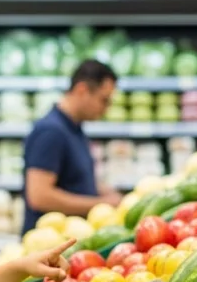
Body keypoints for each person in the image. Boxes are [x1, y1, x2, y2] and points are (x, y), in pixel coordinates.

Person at [22, 59, 123, 233]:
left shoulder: (74, 129)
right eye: (104, 100)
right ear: (82, 90)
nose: (106, 108)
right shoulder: (51, 131)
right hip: (48, 245)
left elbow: (74, 177)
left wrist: (105, 191)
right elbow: (39, 196)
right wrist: (101, 204)